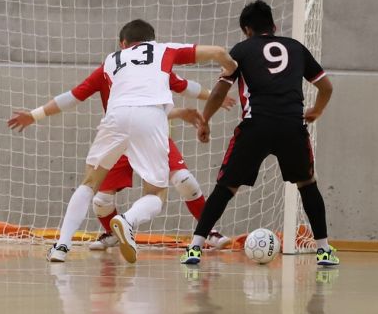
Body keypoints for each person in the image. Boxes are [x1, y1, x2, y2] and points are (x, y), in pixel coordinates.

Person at [44, 19, 235, 264]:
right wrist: (230, 72)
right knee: (151, 195)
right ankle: (125, 222)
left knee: (89, 184)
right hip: (150, 122)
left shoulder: (112, 60)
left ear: (123, 43)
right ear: (152, 40)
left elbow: (73, 96)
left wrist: (35, 115)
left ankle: (61, 246)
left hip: (116, 121)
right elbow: (217, 53)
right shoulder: (161, 52)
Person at [8, 65, 236, 251]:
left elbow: (183, 86)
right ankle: (115, 232)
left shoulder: (157, 64)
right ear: (125, 46)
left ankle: (208, 231)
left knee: (184, 181)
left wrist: (214, 96)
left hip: (150, 135)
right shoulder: (109, 68)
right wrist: (35, 115)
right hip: (119, 136)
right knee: (101, 201)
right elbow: (74, 95)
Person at [181, 0, 339, 268]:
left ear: (247, 30)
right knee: (307, 184)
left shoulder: (241, 50)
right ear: (273, 26)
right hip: (292, 126)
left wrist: (204, 120)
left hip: (256, 127)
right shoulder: (296, 48)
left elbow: (219, 92)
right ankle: (323, 250)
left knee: (226, 187)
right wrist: (317, 110)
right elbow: (326, 87)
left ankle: (195, 247)